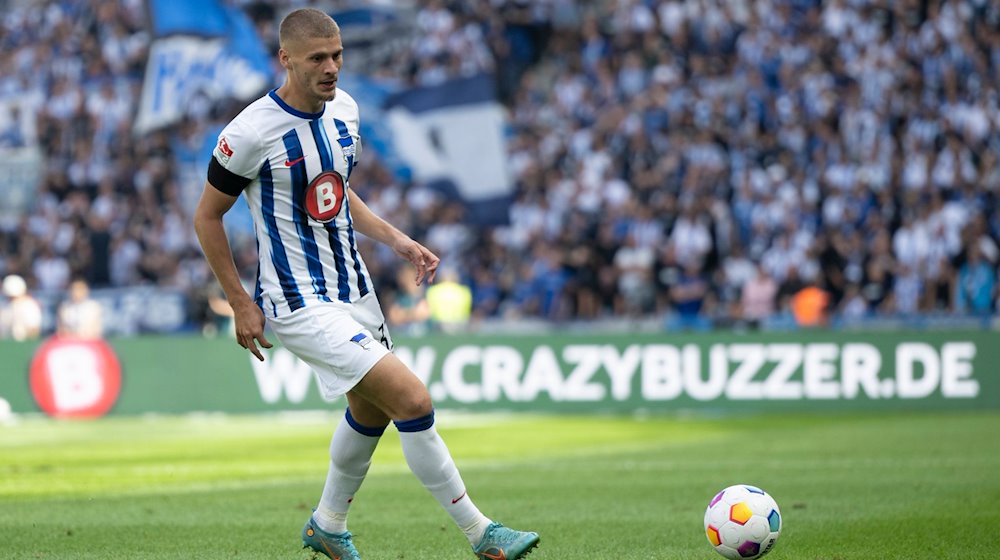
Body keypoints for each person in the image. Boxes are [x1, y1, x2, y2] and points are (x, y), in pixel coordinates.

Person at [192, 9, 539, 560]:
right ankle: (481, 533)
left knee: (371, 409)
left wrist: (396, 239)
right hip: (298, 300)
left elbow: (335, 187)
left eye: (337, 55)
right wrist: (239, 301)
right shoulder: (250, 131)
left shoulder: (345, 110)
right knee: (411, 398)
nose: (331, 68)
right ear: (286, 60)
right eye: (317, 59)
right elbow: (207, 216)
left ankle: (328, 524)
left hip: (354, 289)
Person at [1, 274, 42, 341]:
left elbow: (34, 330)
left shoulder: (29, 306)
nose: (11, 299)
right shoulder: (4, 306)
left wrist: (21, 334)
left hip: (24, 343)